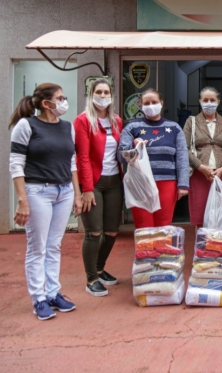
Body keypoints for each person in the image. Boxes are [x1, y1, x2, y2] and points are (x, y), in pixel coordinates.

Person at [9, 83, 81, 320]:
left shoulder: (67, 127)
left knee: (54, 245)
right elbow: (16, 164)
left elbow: (72, 163)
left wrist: (77, 193)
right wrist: (22, 200)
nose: (64, 101)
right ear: (46, 103)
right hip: (38, 191)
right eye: (60, 98)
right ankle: (38, 298)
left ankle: (53, 293)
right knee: (37, 247)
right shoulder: (26, 125)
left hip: (64, 191)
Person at [74, 78, 124, 297]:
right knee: (94, 232)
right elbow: (82, 157)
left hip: (115, 182)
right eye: (99, 92)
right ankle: (91, 278)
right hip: (93, 182)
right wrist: (86, 188)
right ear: (91, 95)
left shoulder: (116, 121)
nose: (103, 96)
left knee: (112, 231)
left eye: (106, 93)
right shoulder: (83, 121)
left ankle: (100, 268)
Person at [118, 88, 189, 228]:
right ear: (141, 105)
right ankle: (145, 251)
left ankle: (162, 251)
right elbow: (121, 156)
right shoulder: (131, 127)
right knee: (144, 226)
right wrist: (134, 144)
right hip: (139, 182)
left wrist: (183, 184)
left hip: (167, 183)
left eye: (154, 102)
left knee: (163, 225)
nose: (151, 105)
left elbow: (182, 157)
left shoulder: (174, 128)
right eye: (147, 103)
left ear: (161, 103)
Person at [183, 87, 222, 225]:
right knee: (200, 214)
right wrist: (200, 166)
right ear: (200, 102)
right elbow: (184, 149)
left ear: (218, 102)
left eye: (212, 100)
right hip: (199, 174)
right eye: (205, 100)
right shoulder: (192, 122)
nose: (209, 103)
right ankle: (202, 245)